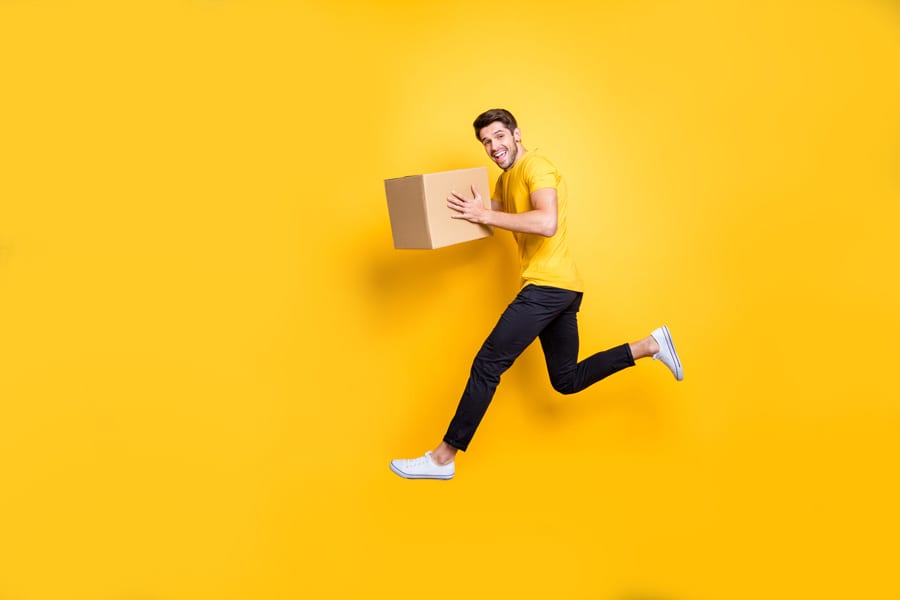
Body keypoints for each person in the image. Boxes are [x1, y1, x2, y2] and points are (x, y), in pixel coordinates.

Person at [390, 108, 683, 480]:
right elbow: (493, 209)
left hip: (547, 286)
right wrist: (443, 207)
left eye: (498, 137)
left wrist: (485, 216)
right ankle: (650, 345)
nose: (493, 147)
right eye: (485, 142)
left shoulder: (536, 166)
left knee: (487, 364)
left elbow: (546, 222)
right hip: (562, 288)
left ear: (516, 134)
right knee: (566, 380)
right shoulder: (508, 177)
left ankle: (443, 457)